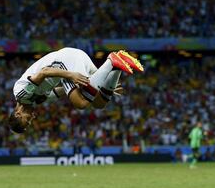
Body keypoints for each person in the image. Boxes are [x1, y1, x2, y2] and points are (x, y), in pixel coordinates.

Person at [8, 47, 144, 133]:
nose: (32, 117)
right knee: (99, 103)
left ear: (18, 114)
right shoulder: (35, 100)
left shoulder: (21, 94)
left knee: (81, 103)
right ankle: (116, 66)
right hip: (73, 60)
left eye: (27, 120)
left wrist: (71, 75)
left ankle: (111, 61)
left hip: (65, 61)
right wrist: (100, 84)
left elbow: (44, 72)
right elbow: (59, 92)